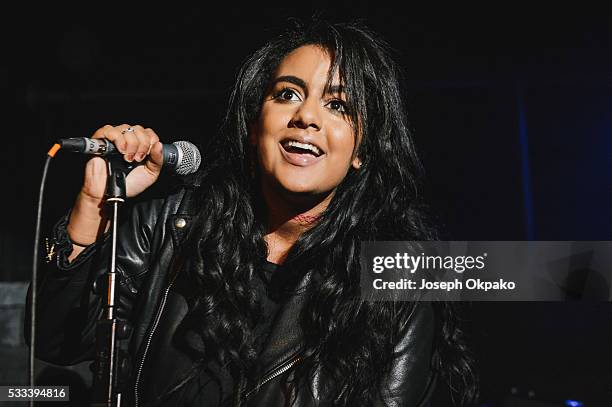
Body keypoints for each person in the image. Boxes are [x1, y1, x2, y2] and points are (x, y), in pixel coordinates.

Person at [26, 18, 477, 406]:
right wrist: (92, 210)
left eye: (338, 105)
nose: (307, 116)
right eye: (286, 94)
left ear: (361, 149)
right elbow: (53, 340)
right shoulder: (172, 229)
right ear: (254, 124)